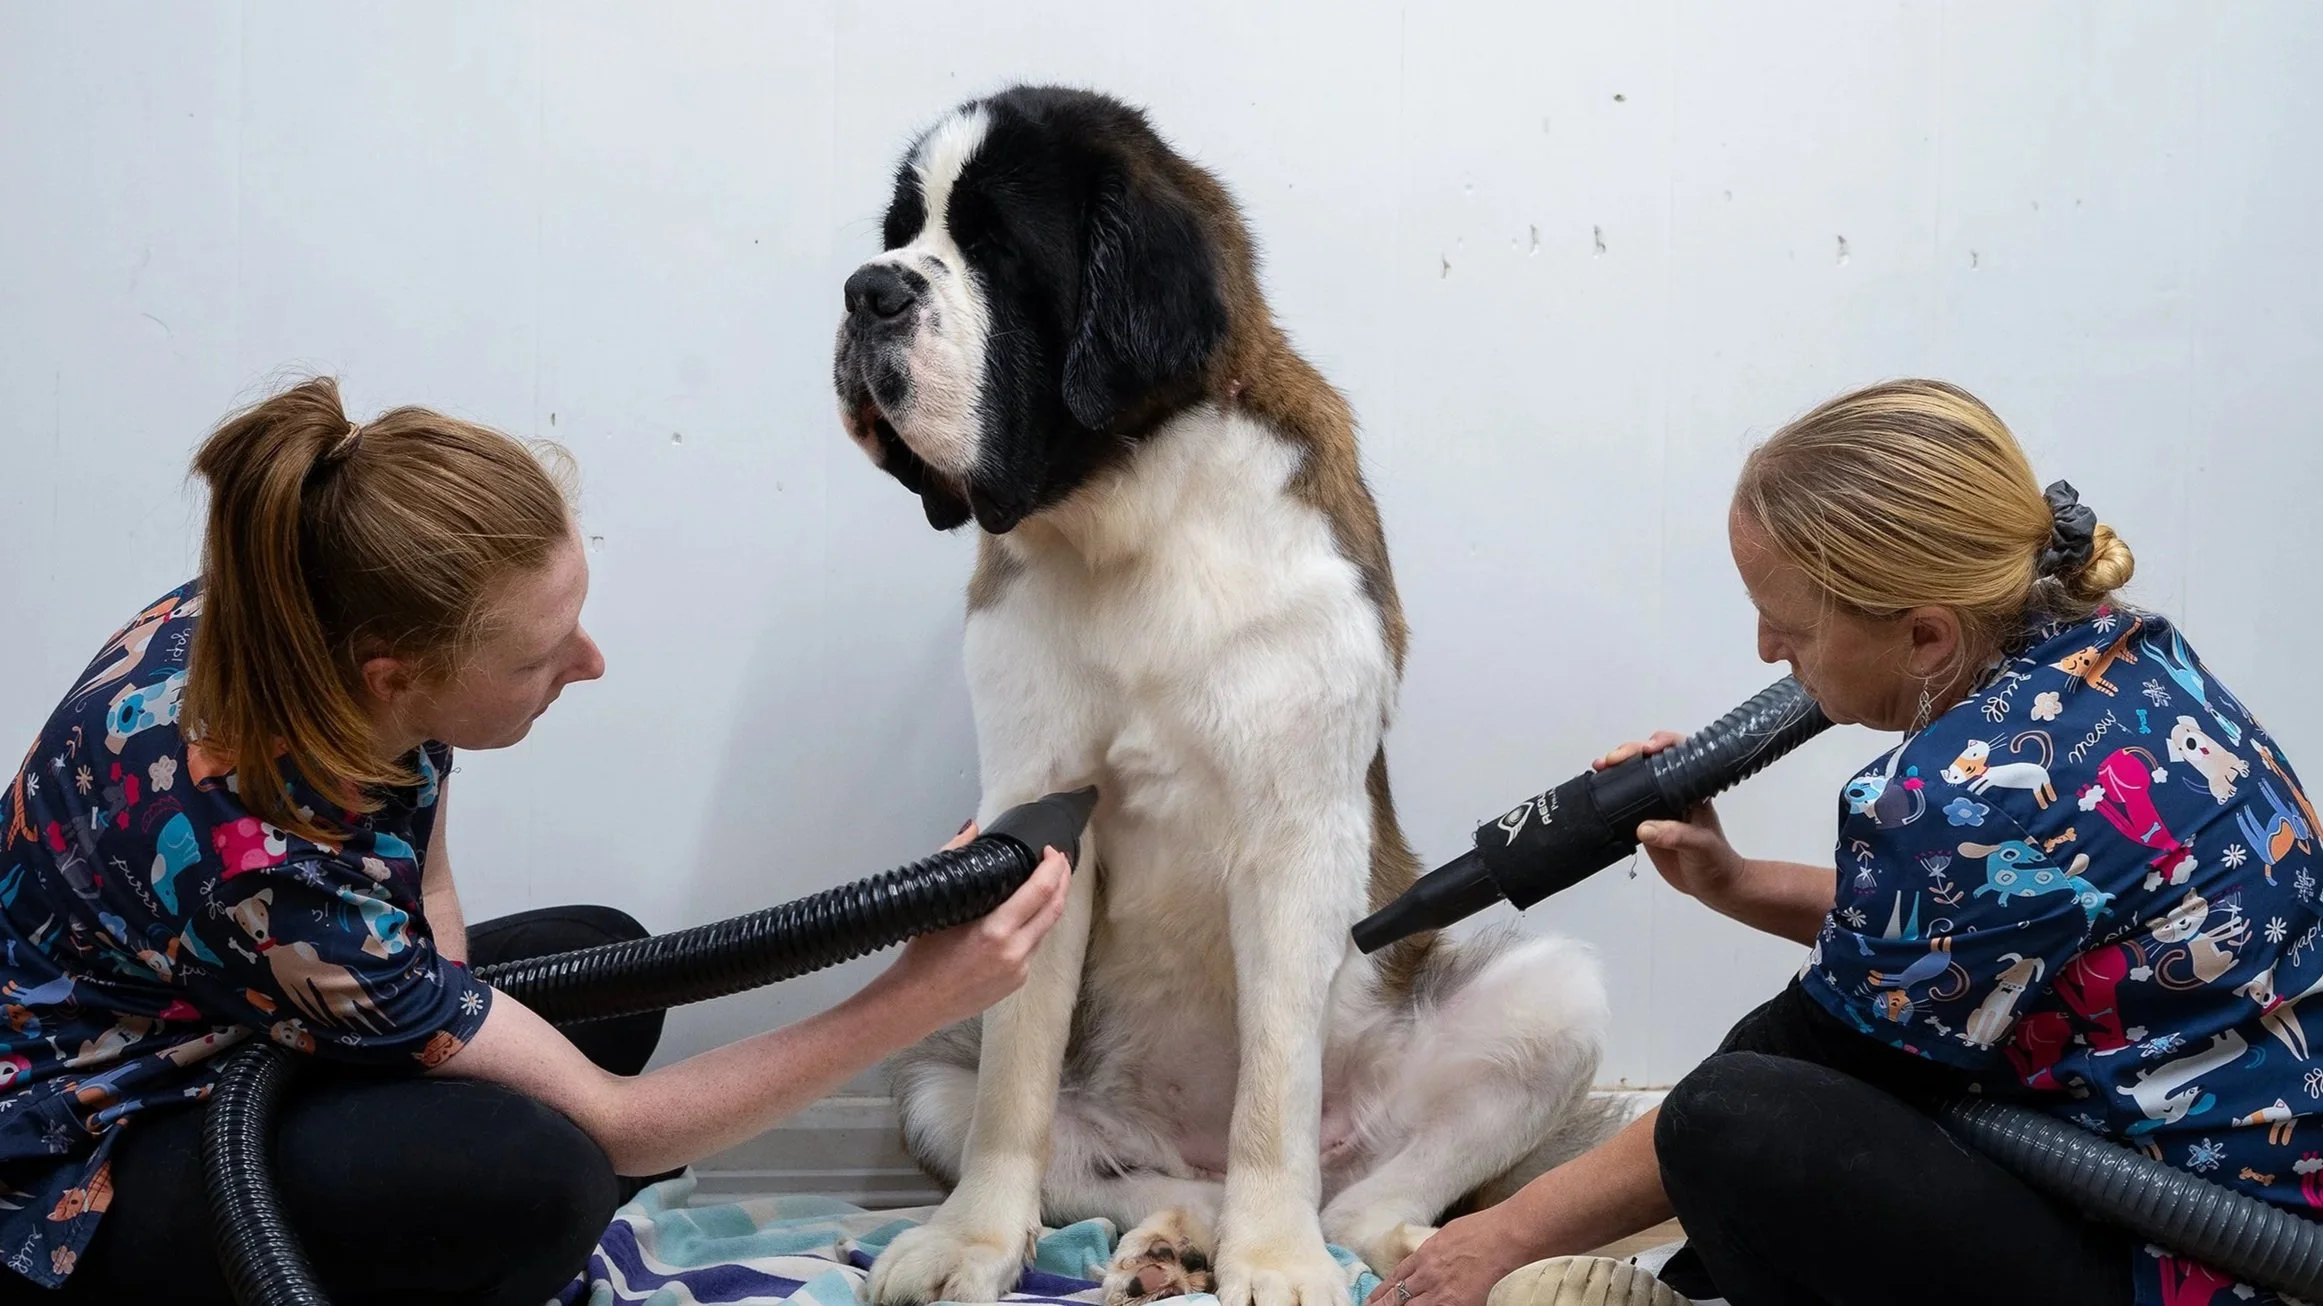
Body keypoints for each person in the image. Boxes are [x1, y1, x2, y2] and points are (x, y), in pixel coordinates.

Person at [0, 377, 1073, 1305]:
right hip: (80, 1176)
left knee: (609, 960)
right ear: (398, 673)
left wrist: (437, 1047)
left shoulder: (302, 607)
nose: (592, 663)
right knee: (548, 1176)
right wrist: (918, 998)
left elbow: (421, 876)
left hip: (247, 1012)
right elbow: (622, 1127)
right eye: (541, 656)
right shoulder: (265, 874)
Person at [1371, 379, 2323, 1306]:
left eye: (1786, 626)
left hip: (2196, 1261)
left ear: (1922, 638)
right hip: (2262, 1186)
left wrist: (1494, 1240)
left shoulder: (1965, 794)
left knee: (1731, 1117)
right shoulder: (2117, 653)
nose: (1763, 653)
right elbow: (1980, 944)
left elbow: (1816, 1051)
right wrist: (1735, 883)